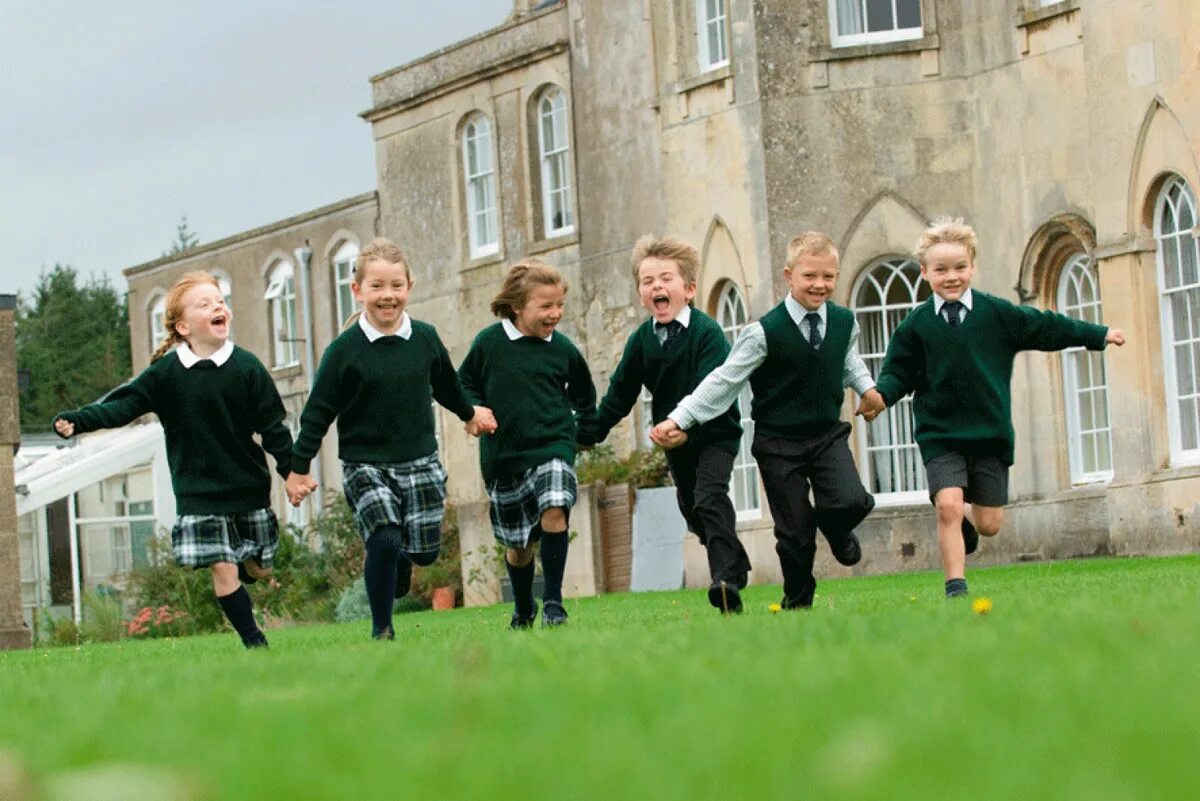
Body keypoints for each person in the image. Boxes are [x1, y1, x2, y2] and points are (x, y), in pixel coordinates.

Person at [864, 218, 1126, 597]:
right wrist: (879, 399)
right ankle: (956, 586)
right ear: (925, 273)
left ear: (972, 267)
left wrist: (1098, 335)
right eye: (940, 270)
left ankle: (969, 522)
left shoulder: (996, 314)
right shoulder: (914, 327)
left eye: (959, 268)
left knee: (989, 525)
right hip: (941, 434)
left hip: (989, 433)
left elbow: (1046, 327)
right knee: (948, 506)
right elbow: (897, 374)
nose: (951, 277)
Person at [54, 271, 290, 649]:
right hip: (199, 492)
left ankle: (251, 564)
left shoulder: (246, 367)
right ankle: (255, 642)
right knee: (222, 566)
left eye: (219, 300)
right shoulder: (166, 375)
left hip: (247, 485)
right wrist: (78, 421)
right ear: (183, 326)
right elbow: (123, 406)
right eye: (204, 303)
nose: (217, 306)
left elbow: (273, 428)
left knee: (259, 569)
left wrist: (292, 471)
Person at [653, 233, 884, 610]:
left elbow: (846, 359)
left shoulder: (845, 322)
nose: (820, 285)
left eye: (828, 277)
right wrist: (681, 417)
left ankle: (838, 528)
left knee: (852, 501)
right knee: (795, 532)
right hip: (779, 444)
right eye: (810, 276)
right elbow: (724, 380)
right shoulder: (763, 332)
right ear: (789, 275)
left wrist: (868, 388)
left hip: (827, 434)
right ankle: (798, 602)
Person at [285, 238, 495, 639]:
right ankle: (382, 629)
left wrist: (470, 416)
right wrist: (297, 471)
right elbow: (316, 415)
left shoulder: (426, 338)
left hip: (420, 461)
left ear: (409, 287)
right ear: (358, 290)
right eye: (377, 286)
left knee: (423, 551)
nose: (388, 296)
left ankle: (403, 560)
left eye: (396, 286)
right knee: (383, 536)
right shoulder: (343, 352)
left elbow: (447, 387)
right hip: (366, 464)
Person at [579, 234, 751, 613]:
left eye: (666, 279)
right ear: (641, 294)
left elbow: (714, 389)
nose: (657, 286)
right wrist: (586, 434)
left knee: (709, 498)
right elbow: (619, 395)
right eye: (647, 281)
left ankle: (725, 580)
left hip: (715, 434)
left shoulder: (706, 334)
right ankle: (734, 559)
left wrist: (684, 425)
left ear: (688, 289)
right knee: (693, 512)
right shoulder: (642, 341)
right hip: (674, 443)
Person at [458, 259, 597, 628]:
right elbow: (464, 383)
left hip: (552, 446)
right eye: (546, 306)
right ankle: (523, 606)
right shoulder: (489, 343)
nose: (556, 314)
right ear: (518, 306)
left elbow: (585, 398)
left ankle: (553, 603)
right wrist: (474, 410)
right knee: (519, 547)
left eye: (559, 305)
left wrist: (579, 435)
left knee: (555, 508)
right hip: (503, 458)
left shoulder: (563, 349)